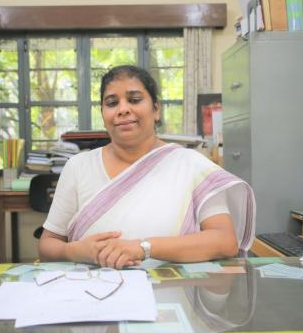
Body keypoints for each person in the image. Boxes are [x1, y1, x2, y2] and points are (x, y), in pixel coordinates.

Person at [39, 65, 255, 269]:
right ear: (103, 114)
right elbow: (47, 246)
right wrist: (74, 251)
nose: (123, 109)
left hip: (173, 296)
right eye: (112, 103)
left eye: (134, 99)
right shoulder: (78, 166)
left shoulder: (191, 165)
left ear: (156, 110)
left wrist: (143, 248)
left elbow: (225, 241)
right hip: (93, 295)